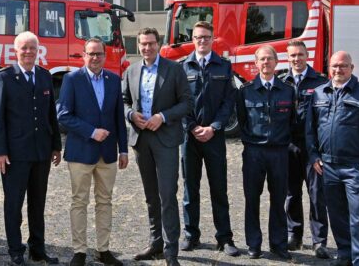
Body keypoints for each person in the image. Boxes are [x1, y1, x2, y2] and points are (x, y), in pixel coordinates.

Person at [307, 51, 359, 266]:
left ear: (352, 68)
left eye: (343, 66)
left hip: (355, 167)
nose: (338, 70)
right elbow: (310, 129)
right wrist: (314, 155)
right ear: (328, 67)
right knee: (337, 215)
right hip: (328, 166)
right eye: (334, 66)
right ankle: (345, 254)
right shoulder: (319, 93)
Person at [0, 31, 62, 265]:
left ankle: (37, 249)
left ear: (38, 50)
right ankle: (15, 251)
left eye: (32, 48)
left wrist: (55, 146)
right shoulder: (4, 77)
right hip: (14, 155)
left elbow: (51, 113)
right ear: (15, 51)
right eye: (24, 48)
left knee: (38, 203)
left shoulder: (43, 76)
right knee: (14, 204)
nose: (29, 52)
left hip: (41, 152)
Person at [56, 37, 129, 266]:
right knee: (79, 202)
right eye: (91, 54)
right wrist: (91, 131)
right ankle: (79, 251)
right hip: (81, 152)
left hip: (107, 153)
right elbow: (63, 115)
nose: (95, 58)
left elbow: (119, 118)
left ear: (105, 56)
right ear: (84, 55)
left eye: (99, 54)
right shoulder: (71, 79)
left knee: (105, 201)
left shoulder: (114, 80)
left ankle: (103, 249)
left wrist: (124, 150)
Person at [123, 27, 192, 266]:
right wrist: (131, 114)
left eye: (151, 43)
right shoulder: (131, 70)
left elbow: (186, 103)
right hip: (142, 140)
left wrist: (162, 116)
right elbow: (123, 101)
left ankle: (171, 250)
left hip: (166, 139)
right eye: (143, 44)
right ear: (139, 45)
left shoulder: (174, 70)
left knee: (167, 195)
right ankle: (155, 244)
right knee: (151, 196)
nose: (147, 48)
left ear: (158, 43)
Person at [179, 21, 239, 256]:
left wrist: (213, 127)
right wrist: (192, 127)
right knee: (189, 189)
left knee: (219, 189)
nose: (202, 41)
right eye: (197, 37)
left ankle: (224, 238)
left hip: (214, 137)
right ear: (192, 40)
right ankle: (191, 235)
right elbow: (179, 102)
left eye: (206, 37)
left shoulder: (224, 66)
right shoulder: (182, 67)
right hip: (189, 138)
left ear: (213, 39)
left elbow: (229, 101)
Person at [236, 45, 297, 260]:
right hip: (254, 152)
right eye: (261, 59)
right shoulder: (246, 90)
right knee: (252, 199)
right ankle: (254, 244)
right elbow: (242, 120)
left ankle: (278, 244)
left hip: (279, 153)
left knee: (279, 199)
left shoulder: (288, 90)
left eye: (269, 59)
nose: (266, 63)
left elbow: (292, 122)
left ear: (276, 62)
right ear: (256, 63)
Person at [280, 39, 330, 258]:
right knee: (291, 193)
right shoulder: (282, 81)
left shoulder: (320, 82)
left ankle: (319, 241)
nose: (296, 59)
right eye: (292, 56)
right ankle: (295, 235)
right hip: (289, 146)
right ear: (287, 58)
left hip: (312, 147)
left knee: (317, 194)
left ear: (307, 55)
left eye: (300, 55)